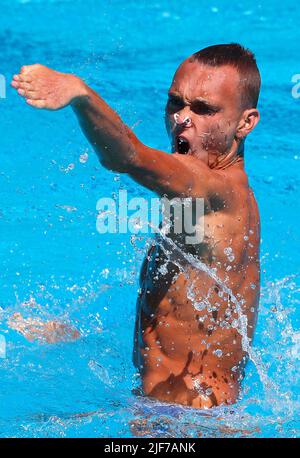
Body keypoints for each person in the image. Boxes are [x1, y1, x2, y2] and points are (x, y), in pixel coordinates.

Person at [11, 43, 261, 408]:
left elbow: (127, 156)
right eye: (176, 103)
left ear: (245, 123)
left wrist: (80, 95)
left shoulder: (213, 187)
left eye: (204, 109)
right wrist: (75, 339)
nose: (182, 118)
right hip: (175, 415)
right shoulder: (213, 195)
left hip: (189, 426)